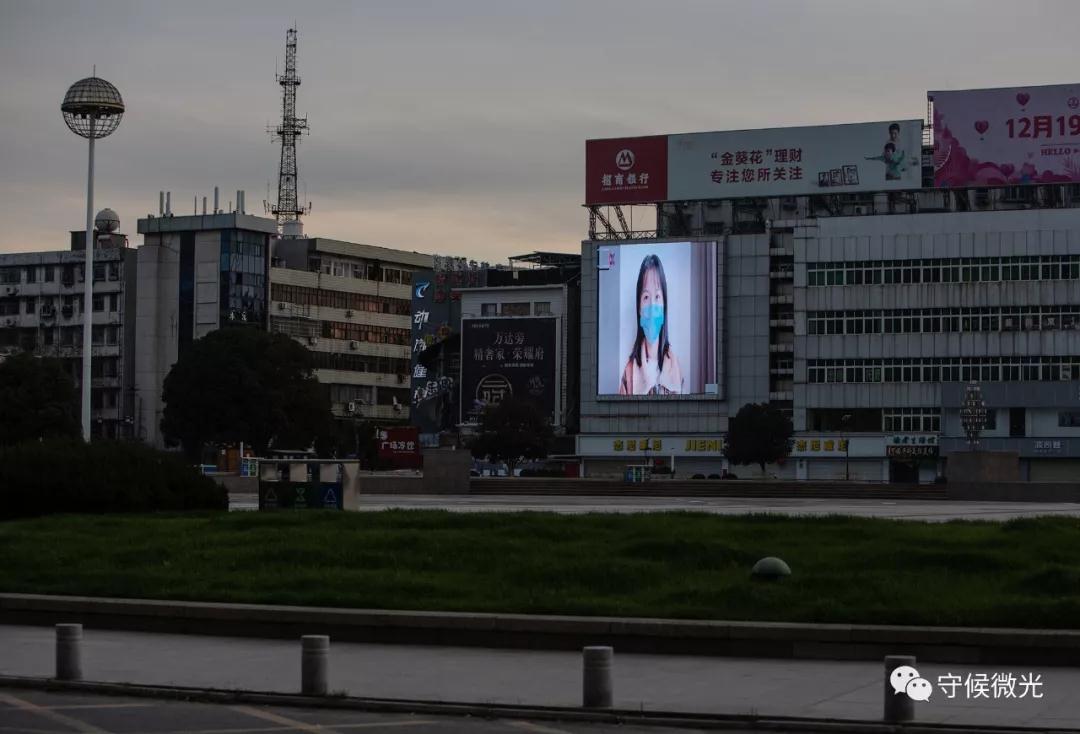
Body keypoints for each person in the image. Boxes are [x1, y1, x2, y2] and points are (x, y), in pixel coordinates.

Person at [619, 254, 684, 395]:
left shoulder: (676, 368)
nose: (652, 305)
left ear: (664, 305)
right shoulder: (628, 372)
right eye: (646, 297)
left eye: (658, 297)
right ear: (639, 308)